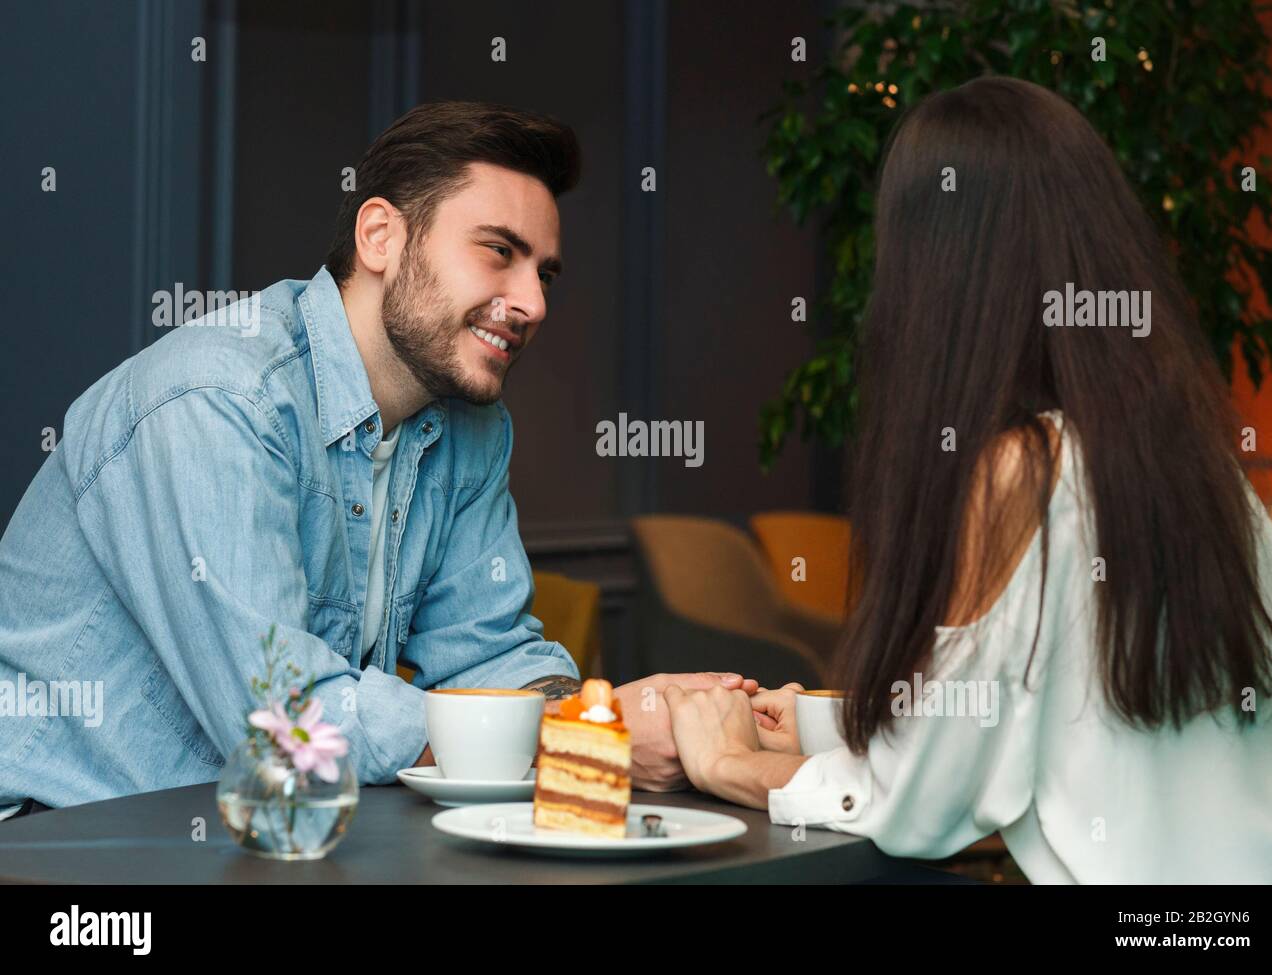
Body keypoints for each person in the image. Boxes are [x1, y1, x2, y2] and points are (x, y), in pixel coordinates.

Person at [0, 101, 758, 819]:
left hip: (259, 835)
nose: (533, 302)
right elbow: (287, 723)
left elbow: (484, 648)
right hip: (60, 840)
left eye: (545, 273)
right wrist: (580, 737)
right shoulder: (217, 399)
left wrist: (608, 712)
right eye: (500, 251)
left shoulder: (471, 427)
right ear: (380, 238)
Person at [664, 76, 1272, 883]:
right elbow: (1052, 726)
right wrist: (827, 728)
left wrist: (727, 762)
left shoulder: (1021, 471)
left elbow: (923, 809)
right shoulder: (1208, 475)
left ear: (937, 276)